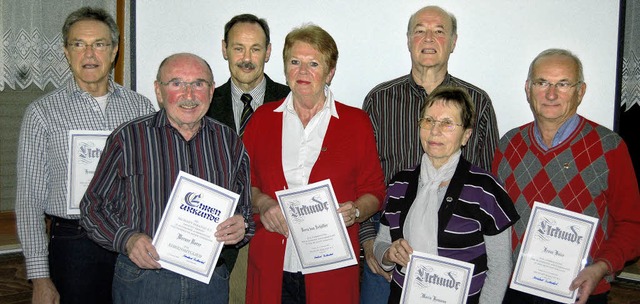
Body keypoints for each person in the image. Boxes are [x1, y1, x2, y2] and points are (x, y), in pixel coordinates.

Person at [80, 53, 254, 304]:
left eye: (198, 83)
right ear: (158, 91)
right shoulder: (128, 138)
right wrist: (127, 239)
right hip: (145, 280)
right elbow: (92, 207)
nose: (189, 94)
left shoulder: (229, 142)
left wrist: (241, 227)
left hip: (210, 282)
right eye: (176, 83)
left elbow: (245, 210)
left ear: (212, 90)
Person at [359, 6, 500, 303]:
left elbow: (488, 184)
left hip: (453, 259)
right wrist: (370, 242)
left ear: (453, 41)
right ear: (408, 39)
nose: (429, 38)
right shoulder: (379, 100)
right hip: (385, 249)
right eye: (420, 30)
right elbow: (363, 180)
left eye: (439, 31)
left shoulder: (478, 102)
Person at [15, 7, 155, 304]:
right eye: (79, 44)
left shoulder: (140, 108)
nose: (89, 54)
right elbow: (28, 201)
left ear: (114, 50)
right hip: (74, 246)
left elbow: (156, 179)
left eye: (99, 44)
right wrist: (40, 278)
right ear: (66, 52)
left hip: (132, 239)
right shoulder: (42, 113)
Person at [243, 24, 386, 304]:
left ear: (330, 72)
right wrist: (262, 203)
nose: (303, 71)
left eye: (314, 63)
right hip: (273, 264)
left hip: (330, 271)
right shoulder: (261, 120)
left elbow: (375, 192)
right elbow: (244, 184)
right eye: (295, 62)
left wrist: (356, 211)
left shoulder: (356, 123)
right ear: (285, 69)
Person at [494, 48, 640, 304]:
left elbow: (632, 225)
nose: (551, 94)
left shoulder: (609, 147)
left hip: (581, 292)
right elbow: (493, 219)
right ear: (528, 88)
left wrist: (602, 267)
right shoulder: (509, 145)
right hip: (514, 292)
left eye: (563, 84)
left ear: (580, 91)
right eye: (542, 83)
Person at [373, 86, 519, 304]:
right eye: (428, 121)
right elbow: (381, 243)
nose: (435, 131)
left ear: (466, 135)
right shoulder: (400, 183)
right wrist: (388, 254)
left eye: (447, 123)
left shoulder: (486, 188)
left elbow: (499, 267)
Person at [205, 13, 290, 304]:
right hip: (213, 241)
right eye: (238, 48)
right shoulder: (202, 104)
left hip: (274, 236)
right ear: (224, 49)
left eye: (255, 48)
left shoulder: (291, 102)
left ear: (268, 52)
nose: (246, 57)